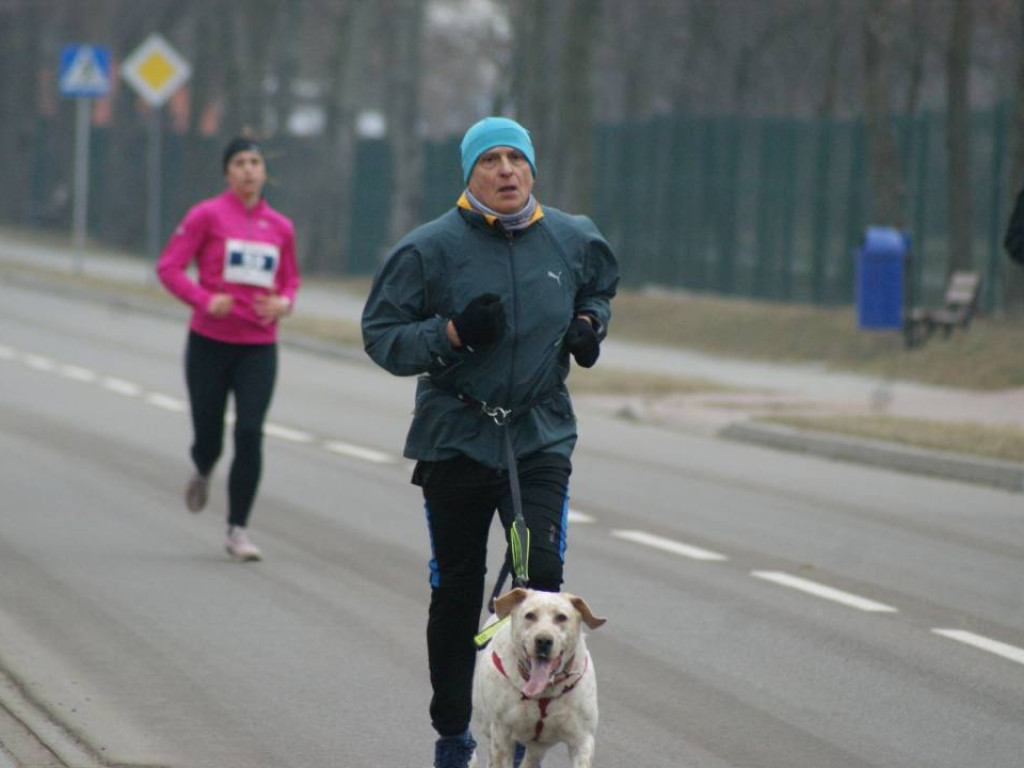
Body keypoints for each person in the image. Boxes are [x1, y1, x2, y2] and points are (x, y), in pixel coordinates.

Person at [361, 116, 618, 768]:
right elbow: (382, 335)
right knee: (456, 592)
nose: (506, 170)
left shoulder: (571, 236)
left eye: (516, 158)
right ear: (469, 173)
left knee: (541, 578)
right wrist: (449, 335)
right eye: (490, 160)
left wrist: (590, 324)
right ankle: (454, 729)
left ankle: (531, 720)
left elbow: (598, 285)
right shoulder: (429, 249)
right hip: (455, 436)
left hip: (538, 434)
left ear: (532, 168)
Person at [157, 137, 300, 562]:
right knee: (210, 434)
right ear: (227, 172)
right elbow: (168, 268)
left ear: (263, 172)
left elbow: (290, 279)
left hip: (258, 347)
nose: (249, 170)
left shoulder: (281, 227)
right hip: (209, 344)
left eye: (255, 162)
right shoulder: (207, 215)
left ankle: (238, 528)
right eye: (240, 162)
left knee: (250, 432)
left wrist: (284, 303)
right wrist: (205, 300)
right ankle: (202, 466)